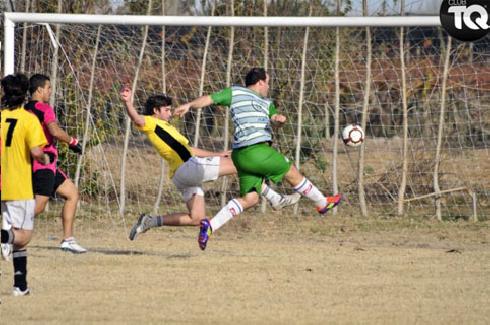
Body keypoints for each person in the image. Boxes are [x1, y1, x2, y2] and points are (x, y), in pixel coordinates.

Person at [176, 67, 342, 250]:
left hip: (240, 156)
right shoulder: (236, 92)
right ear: (261, 82)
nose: (268, 87)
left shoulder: (266, 103)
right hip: (256, 150)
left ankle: (210, 227)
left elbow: (273, 121)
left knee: (250, 199)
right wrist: (190, 105)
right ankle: (322, 203)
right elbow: (209, 99)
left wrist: (278, 120)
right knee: (292, 172)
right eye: (268, 82)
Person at [120, 87, 300, 240]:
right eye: (166, 109)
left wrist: (218, 154)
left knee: (196, 218)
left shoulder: (168, 128)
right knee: (242, 162)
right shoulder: (151, 122)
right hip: (188, 168)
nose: (169, 112)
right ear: (155, 111)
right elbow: (137, 118)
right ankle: (275, 198)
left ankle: (150, 221)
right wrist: (128, 102)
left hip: (182, 175)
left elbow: (190, 150)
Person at [1, 73, 50, 296]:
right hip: (18, 186)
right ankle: (3, 237)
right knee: (23, 236)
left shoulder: (0, 117)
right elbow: (35, 151)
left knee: (18, 241)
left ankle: (20, 286)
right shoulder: (29, 119)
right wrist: (44, 158)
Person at [26, 74, 86, 254]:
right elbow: (55, 131)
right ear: (39, 90)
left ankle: (68, 239)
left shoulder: (25, 108)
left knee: (72, 194)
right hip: (43, 162)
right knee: (39, 206)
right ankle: (9, 231)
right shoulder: (44, 108)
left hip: (43, 163)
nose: (50, 91)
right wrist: (73, 142)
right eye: (48, 88)